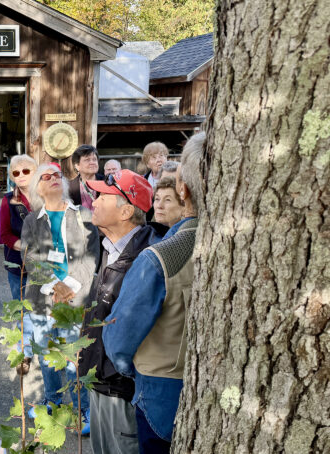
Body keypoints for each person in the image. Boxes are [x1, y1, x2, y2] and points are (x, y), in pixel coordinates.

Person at [102, 132, 205, 453]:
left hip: (162, 390)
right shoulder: (236, 244)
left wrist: (133, 370)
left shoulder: (160, 257)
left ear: (183, 190)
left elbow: (118, 338)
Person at [79, 170, 167, 454]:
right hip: (99, 381)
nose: (94, 202)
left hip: (121, 390)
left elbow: (137, 332)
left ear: (126, 211)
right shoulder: (109, 246)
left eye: (102, 197)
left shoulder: (147, 258)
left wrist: (117, 372)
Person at [21, 163, 100, 435]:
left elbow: (92, 257)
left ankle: (83, 408)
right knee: (46, 356)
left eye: (57, 175)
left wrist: (70, 288)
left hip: (75, 299)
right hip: (42, 299)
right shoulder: (31, 220)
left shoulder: (84, 215)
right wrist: (55, 286)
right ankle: (52, 400)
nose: (54, 178)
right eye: (46, 176)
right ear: (38, 189)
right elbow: (30, 258)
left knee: (74, 359)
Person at [0, 154, 38, 375]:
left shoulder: (45, 196)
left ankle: (51, 349)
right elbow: (3, 233)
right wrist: (23, 246)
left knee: (45, 307)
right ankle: (24, 352)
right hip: (18, 263)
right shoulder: (7, 201)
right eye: (16, 172)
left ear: (35, 172)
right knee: (22, 309)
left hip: (45, 263)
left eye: (26, 170)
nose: (21, 175)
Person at [68, 145, 104, 211]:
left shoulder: (106, 182)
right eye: (87, 160)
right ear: (77, 166)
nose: (92, 163)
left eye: (94, 159)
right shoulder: (70, 188)